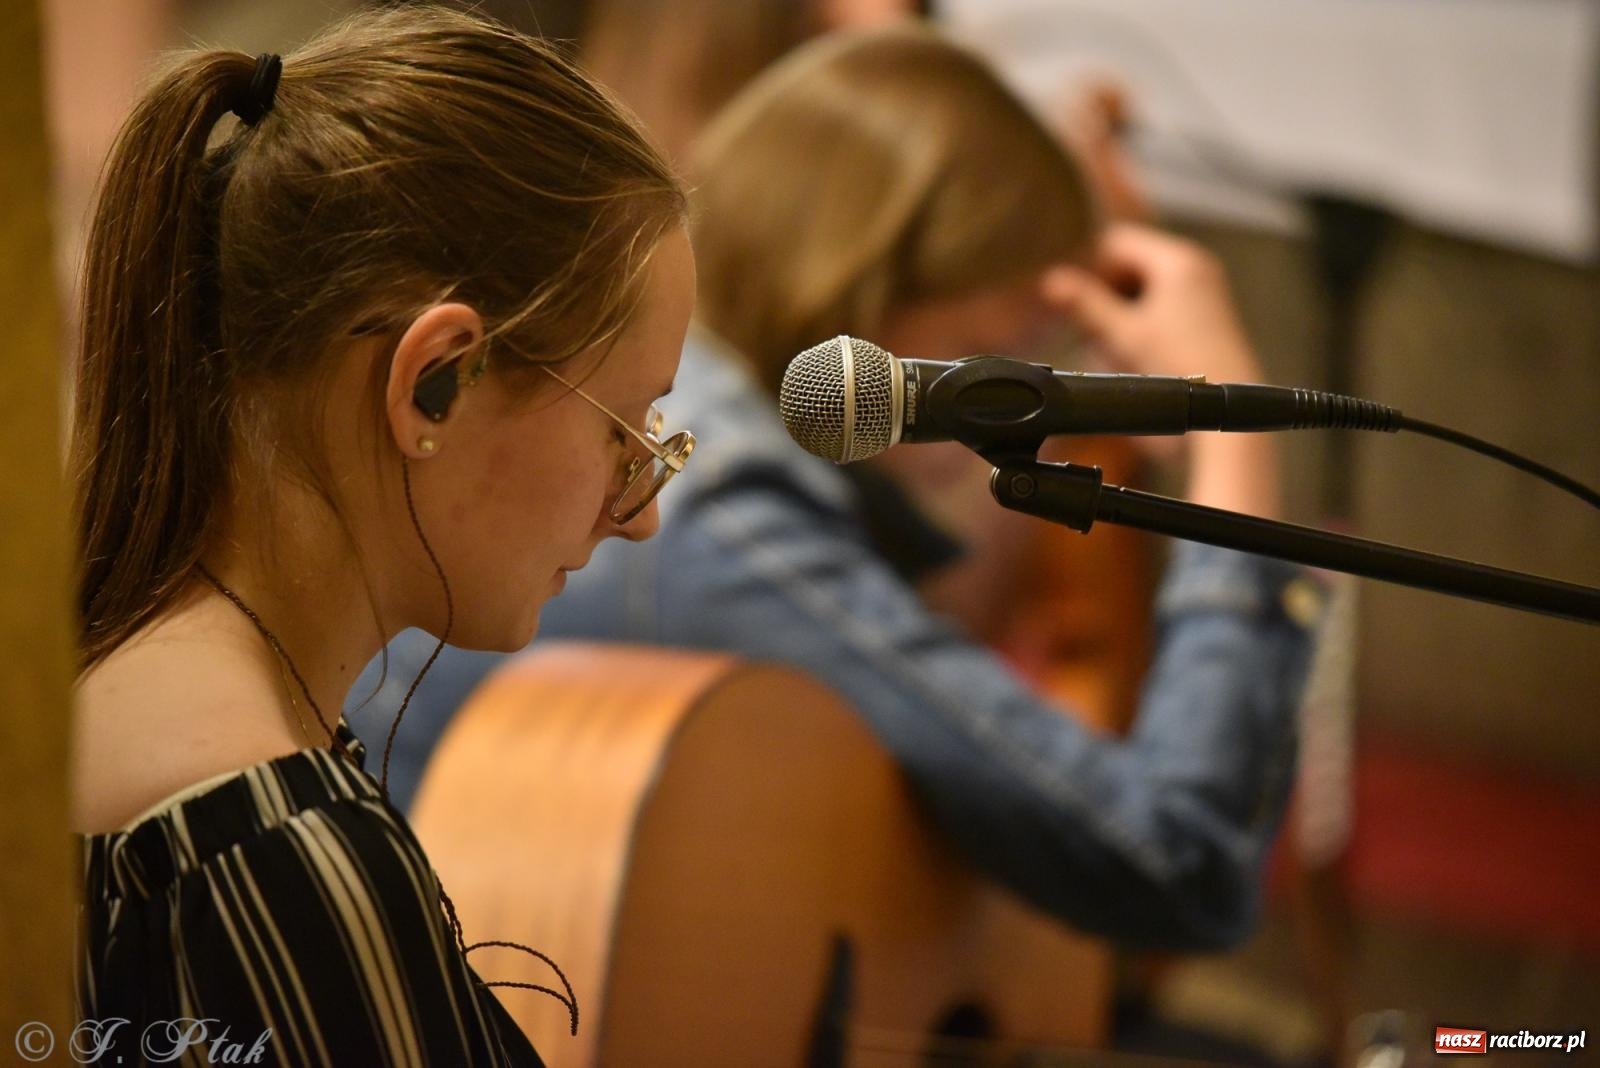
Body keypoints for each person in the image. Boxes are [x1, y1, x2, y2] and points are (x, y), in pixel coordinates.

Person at [363, 26, 1318, 951]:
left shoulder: (696, 408)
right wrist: (1233, 435)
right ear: (875, 284)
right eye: (1024, 339)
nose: (1031, 387)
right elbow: (1174, 862)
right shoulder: (725, 514)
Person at [68, 7, 692, 1065]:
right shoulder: (270, 848)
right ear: (433, 385)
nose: (638, 513)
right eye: (624, 433)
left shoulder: (121, 695)